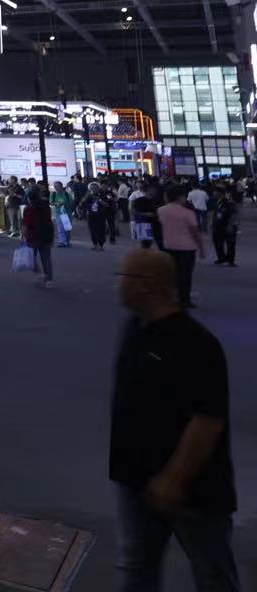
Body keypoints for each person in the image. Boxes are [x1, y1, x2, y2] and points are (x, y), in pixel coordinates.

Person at [111, 248, 238, 591]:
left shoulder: (196, 345)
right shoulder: (135, 328)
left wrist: (174, 478)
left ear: (147, 284)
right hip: (136, 481)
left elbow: (207, 421)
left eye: (124, 276)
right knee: (136, 569)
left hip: (194, 491)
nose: (118, 283)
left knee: (212, 574)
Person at [157, 187, 202, 308]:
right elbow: (195, 232)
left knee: (172, 273)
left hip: (169, 246)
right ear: (180, 197)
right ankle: (184, 299)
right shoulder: (188, 213)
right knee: (185, 275)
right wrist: (201, 247)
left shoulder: (161, 210)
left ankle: (171, 297)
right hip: (187, 247)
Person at [22, 186, 55, 288]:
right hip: (46, 235)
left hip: (33, 236)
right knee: (46, 259)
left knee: (30, 257)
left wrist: (23, 236)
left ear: (29, 198)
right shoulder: (46, 207)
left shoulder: (28, 209)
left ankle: (39, 273)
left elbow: (25, 224)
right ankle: (48, 280)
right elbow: (49, 222)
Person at [211, 183, 240, 267]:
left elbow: (233, 214)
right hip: (219, 225)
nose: (214, 193)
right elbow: (216, 213)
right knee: (217, 242)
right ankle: (221, 258)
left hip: (228, 225)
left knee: (230, 243)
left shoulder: (229, 202)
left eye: (215, 191)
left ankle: (230, 260)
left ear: (219, 192)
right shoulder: (218, 201)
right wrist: (212, 223)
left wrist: (230, 226)